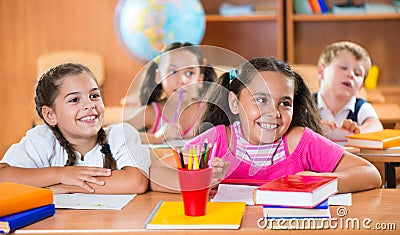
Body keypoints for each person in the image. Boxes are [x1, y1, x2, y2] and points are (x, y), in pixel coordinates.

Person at [150, 57, 381, 193]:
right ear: (234, 102)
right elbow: (156, 174)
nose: (273, 113)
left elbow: (370, 174)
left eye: (284, 103)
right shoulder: (218, 139)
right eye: (260, 100)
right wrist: (197, 179)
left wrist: (316, 182)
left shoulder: (300, 140)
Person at [0, 63, 150, 194]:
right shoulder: (43, 139)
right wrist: (60, 175)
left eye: (94, 96)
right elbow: (3, 177)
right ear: (50, 115)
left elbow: (136, 181)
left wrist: (67, 186)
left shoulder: (120, 135)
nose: (90, 105)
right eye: (74, 100)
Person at [125, 42, 216, 144]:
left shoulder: (208, 111)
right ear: (159, 76)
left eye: (190, 73)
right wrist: (155, 137)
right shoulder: (151, 113)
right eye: (173, 72)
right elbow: (112, 134)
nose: (182, 80)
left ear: (200, 80)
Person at [315, 41, 383, 142]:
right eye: (343, 67)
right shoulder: (306, 104)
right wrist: (315, 128)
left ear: (361, 86)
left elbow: (376, 126)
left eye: (358, 73)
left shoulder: (362, 107)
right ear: (321, 71)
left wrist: (357, 132)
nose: (351, 74)